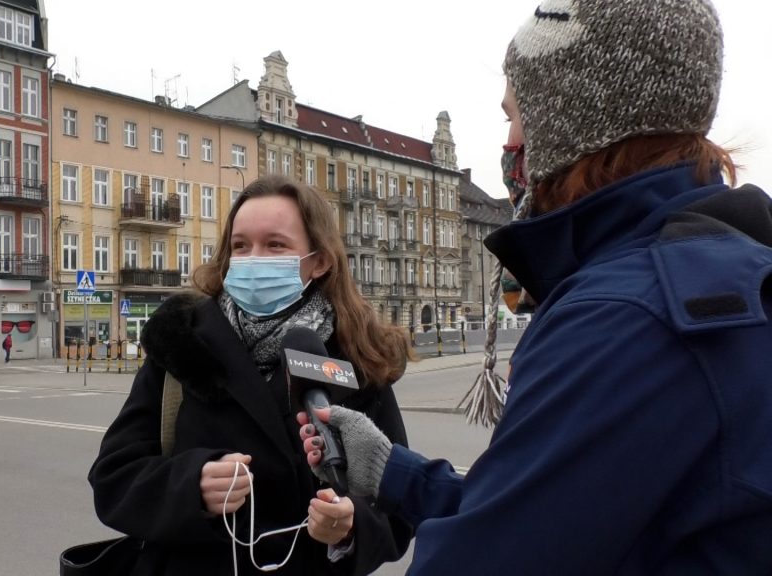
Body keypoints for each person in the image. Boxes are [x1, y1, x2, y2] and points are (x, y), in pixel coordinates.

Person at [300, 1, 772, 574]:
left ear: (573, 122)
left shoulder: (623, 318)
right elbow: (559, 518)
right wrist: (393, 469)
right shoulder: (722, 264)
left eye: (513, 117)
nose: (510, 143)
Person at [89, 175, 415, 575]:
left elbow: (399, 506)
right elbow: (113, 477)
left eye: (275, 245)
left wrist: (349, 528)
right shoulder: (180, 342)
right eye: (240, 246)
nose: (253, 259)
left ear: (320, 260)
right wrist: (192, 487)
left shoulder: (357, 357)